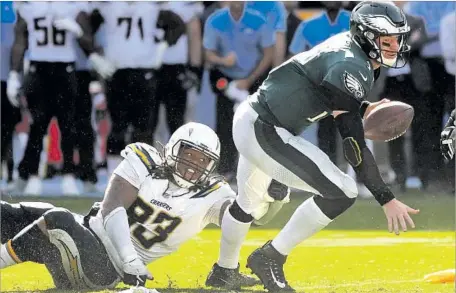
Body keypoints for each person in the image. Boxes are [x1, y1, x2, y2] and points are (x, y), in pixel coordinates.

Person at [206, 2, 420, 292]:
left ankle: (223, 271)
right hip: (266, 128)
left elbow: (327, 94)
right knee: (343, 191)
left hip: (255, 116)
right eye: (386, 40)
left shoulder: (352, 53)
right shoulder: (352, 64)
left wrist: (363, 106)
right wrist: (385, 197)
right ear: (366, 36)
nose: (395, 46)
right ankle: (271, 257)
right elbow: (354, 145)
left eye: (398, 38)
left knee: (247, 204)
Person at [1, 123, 276, 291]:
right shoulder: (145, 159)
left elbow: (244, 216)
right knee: (12, 213)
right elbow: (111, 208)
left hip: (104, 268)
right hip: (90, 234)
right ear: (172, 150)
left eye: (203, 161)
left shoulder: (213, 193)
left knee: (57, 219)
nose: (194, 165)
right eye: (189, 155)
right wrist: (131, 259)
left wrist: (269, 198)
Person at [6, 1, 113, 196]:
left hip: (65, 70)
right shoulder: (29, 6)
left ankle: (69, 175)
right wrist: (14, 73)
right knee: (37, 125)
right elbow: (20, 40)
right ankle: (25, 176)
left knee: (68, 126)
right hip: (38, 70)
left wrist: (78, 32)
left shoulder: (72, 6)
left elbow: (87, 38)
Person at [203, 1, 275, 180]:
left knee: (254, 125)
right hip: (226, 78)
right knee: (225, 123)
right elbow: (208, 53)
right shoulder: (215, 20)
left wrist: (249, 80)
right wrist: (222, 60)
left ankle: (255, 171)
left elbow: (268, 53)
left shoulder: (258, 20)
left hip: (254, 77)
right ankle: (226, 170)